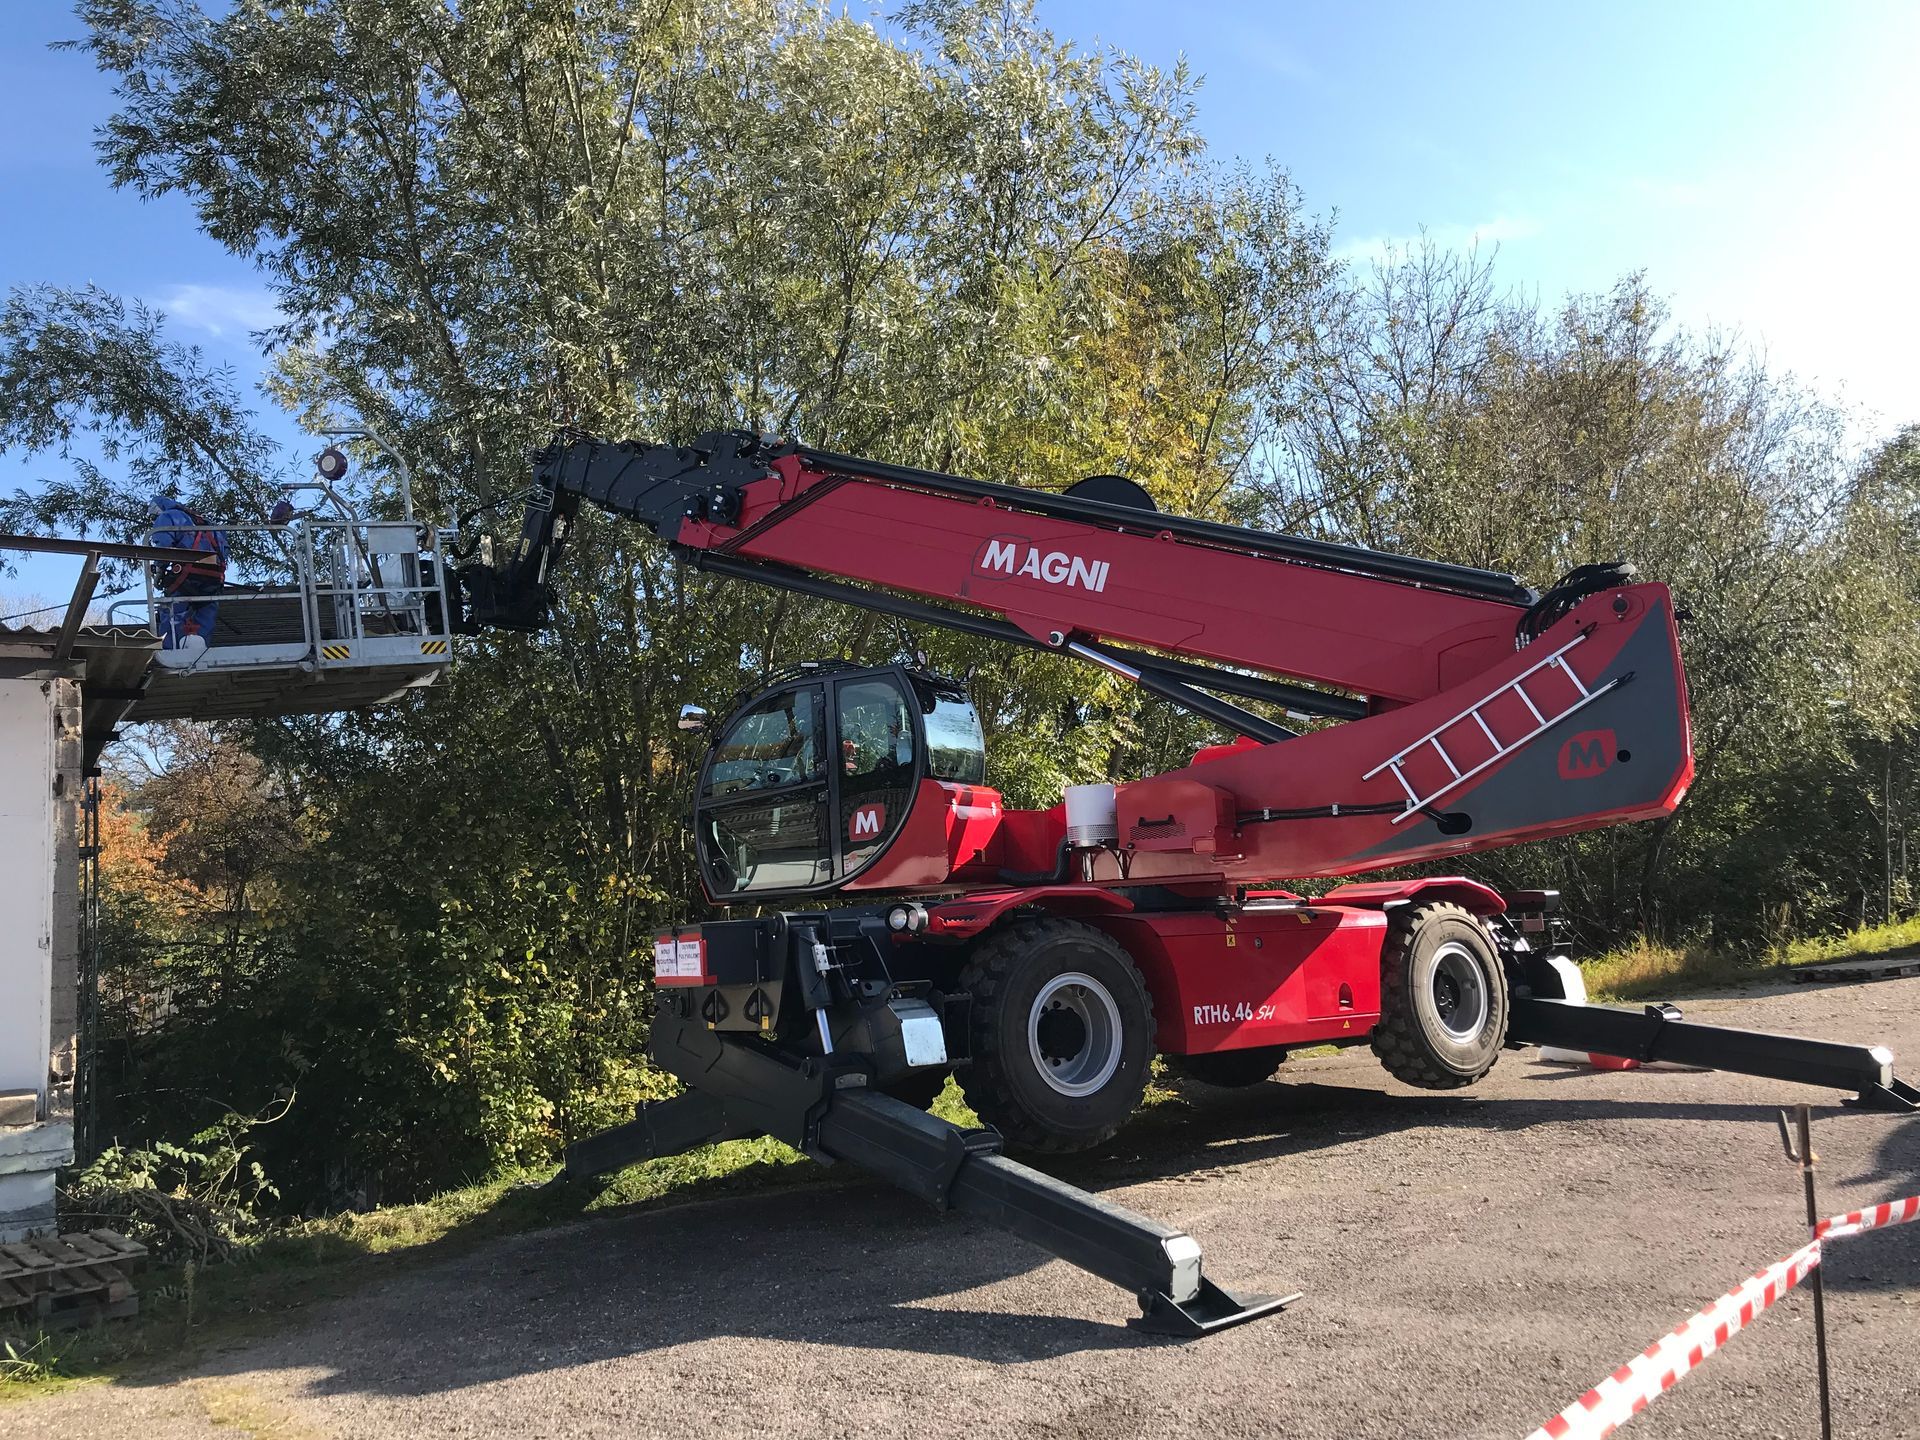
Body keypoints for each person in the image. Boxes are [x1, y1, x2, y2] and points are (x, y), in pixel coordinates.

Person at [149, 494, 229, 650]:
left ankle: (171, 650)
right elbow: (225, 551)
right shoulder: (208, 523)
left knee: (173, 613)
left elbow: (163, 548)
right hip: (214, 576)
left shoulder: (168, 516)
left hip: (187, 575)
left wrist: (159, 571)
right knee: (206, 613)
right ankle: (201, 651)